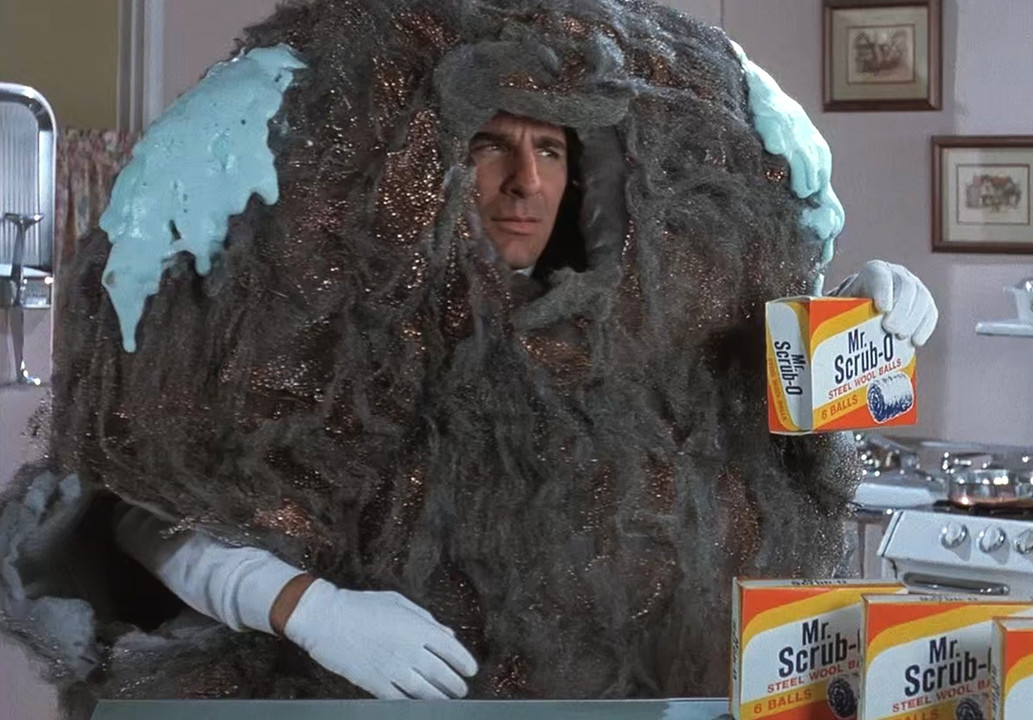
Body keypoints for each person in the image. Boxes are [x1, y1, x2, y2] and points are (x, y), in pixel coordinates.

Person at [1, 1, 937, 711]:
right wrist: (307, 609)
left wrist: (864, 321)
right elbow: (150, 513)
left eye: (550, 151)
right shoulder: (331, 319)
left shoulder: (634, 337)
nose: (524, 183)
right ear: (430, 161)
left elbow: (764, 458)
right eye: (491, 146)